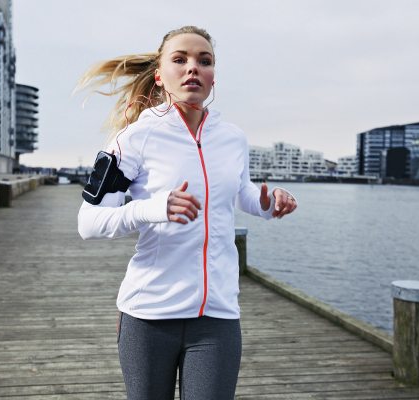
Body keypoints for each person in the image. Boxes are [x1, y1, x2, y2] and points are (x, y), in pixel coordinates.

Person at [76, 26, 297, 399]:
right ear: (160, 76)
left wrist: (266, 201)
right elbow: (88, 223)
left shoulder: (232, 138)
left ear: (213, 76)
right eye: (180, 60)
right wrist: (152, 209)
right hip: (149, 315)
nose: (193, 67)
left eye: (204, 61)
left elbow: (239, 192)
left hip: (217, 316)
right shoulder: (134, 139)